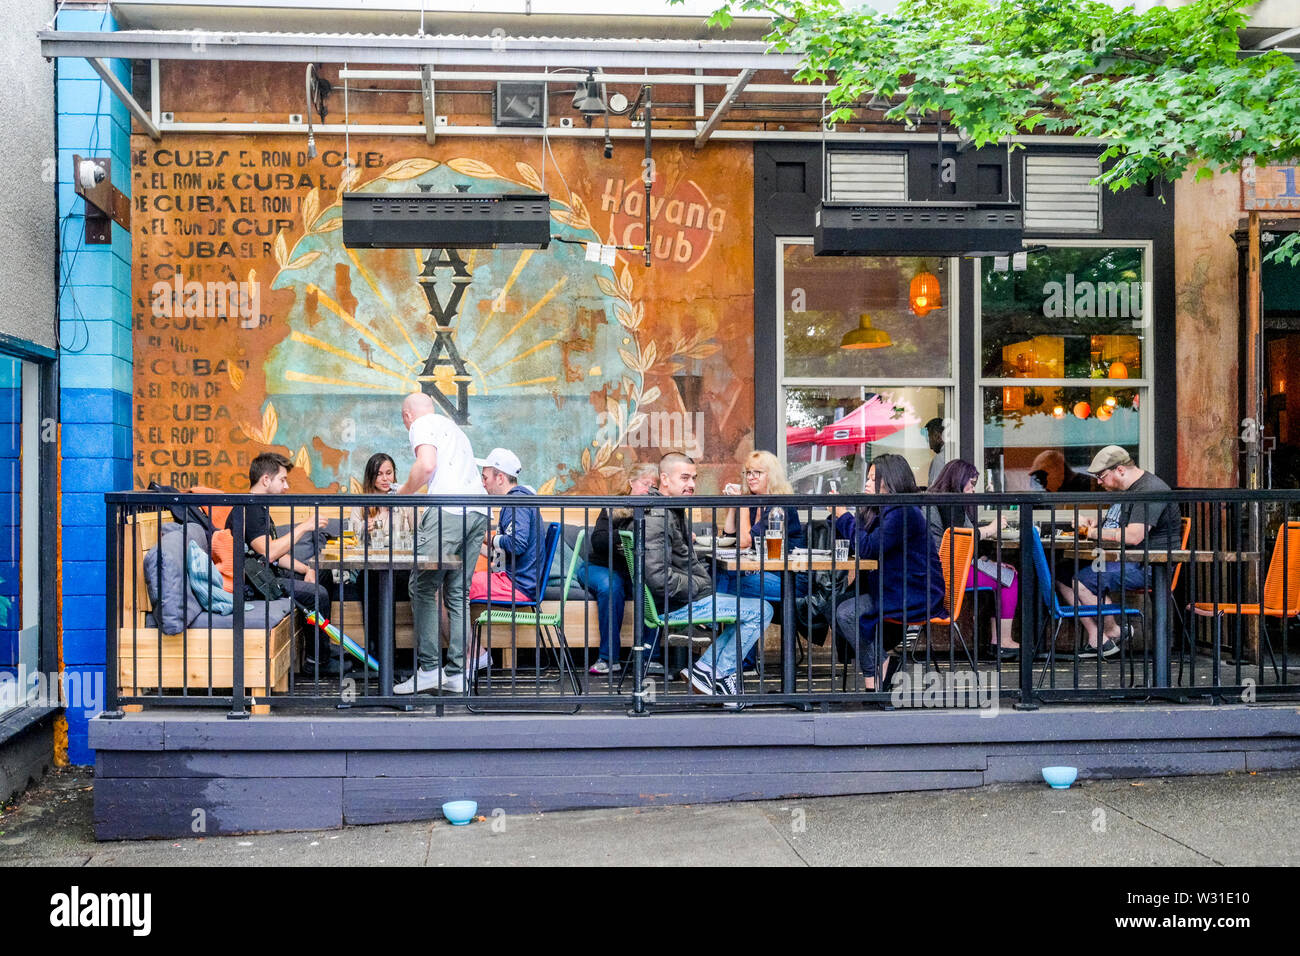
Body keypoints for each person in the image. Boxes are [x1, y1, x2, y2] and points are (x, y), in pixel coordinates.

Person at [643, 452, 773, 697]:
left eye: (693, 478)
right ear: (665, 479)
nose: (691, 484)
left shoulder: (668, 509)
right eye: (684, 478)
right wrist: (698, 585)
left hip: (679, 599)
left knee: (753, 609)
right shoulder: (658, 517)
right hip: (676, 604)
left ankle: (708, 671)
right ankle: (711, 670)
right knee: (761, 610)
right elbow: (658, 578)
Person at [392, 392, 491, 695]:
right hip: (477, 511)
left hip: (448, 510)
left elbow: (426, 466)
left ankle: (429, 669)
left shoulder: (421, 425)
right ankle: (458, 673)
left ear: (407, 415)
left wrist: (402, 494)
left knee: (421, 586)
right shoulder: (453, 429)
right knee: (458, 593)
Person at [1057, 445, 1182, 659]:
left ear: (1120, 470)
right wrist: (1094, 523)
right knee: (1062, 573)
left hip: (1151, 566)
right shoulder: (1128, 491)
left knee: (1083, 579)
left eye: (1101, 476)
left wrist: (1093, 532)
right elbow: (1117, 524)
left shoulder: (1150, 490)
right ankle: (1100, 636)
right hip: (1128, 560)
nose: (1098, 482)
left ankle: (1113, 630)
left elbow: (1134, 535)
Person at [833, 454, 945, 690]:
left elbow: (867, 548)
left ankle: (879, 667)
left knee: (846, 612)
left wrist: (844, 515)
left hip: (914, 594)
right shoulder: (887, 510)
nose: (866, 483)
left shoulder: (903, 512)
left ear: (890, 482)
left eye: (873, 479)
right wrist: (848, 517)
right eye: (869, 477)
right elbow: (865, 542)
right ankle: (879, 668)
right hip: (895, 588)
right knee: (835, 606)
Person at [225, 452, 334, 668]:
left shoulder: (259, 507)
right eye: (282, 480)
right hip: (256, 584)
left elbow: (272, 554)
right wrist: (304, 527)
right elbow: (269, 552)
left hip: (265, 574)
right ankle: (318, 661)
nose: (286, 487)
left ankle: (322, 644)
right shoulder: (251, 508)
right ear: (266, 479)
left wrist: (306, 569)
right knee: (317, 593)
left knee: (323, 573)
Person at [719, 450, 807, 671]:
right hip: (763, 575)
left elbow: (745, 542)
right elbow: (729, 537)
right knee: (729, 578)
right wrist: (733, 506)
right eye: (748, 473)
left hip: (790, 581)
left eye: (757, 473)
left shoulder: (779, 506)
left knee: (736, 584)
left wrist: (741, 504)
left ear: (772, 476)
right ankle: (741, 658)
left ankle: (715, 618)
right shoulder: (754, 503)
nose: (751, 478)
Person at [927, 459, 1020, 659]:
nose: (972, 489)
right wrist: (991, 529)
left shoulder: (934, 498)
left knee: (1002, 573)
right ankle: (1002, 642)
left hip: (935, 570)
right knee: (1010, 578)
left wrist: (984, 561)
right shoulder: (950, 503)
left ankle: (998, 642)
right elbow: (962, 538)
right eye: (971, 483)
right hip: (946, 571)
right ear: (959, 480)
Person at [581, 462, 659, 676]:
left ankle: (650, 657)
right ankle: (609, 658)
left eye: (654, 486)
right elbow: (598, 540)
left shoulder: (659, 513)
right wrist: (630, 539)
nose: (649, 490)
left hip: (634, 572)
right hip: (599, 567)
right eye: (645, 484)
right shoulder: (614, 506)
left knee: (654, 587)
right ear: (631, 483)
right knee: (611, 586)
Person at [352, 452, 412, 665]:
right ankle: (378, 652)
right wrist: (362, 530)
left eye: (389, 473)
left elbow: (418, 533)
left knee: (384, 581)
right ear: (371, 477)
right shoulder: (362, 505)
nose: (386, 479)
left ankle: (387, 654)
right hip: (373, 568)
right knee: (368, 581)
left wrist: (408, 500)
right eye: (379, 475)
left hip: (402, 568)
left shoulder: (403, 501)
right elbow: (353, 539)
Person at [469, 446, 543, 608]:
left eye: (485, 478)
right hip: (517, 583)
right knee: (457, 582)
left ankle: (456, 635)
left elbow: (517, 544)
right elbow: (503, 550)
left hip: (516, 587)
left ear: (500, 478)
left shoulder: (516, 502)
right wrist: (475, 541)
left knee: (453, 586)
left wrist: (485, 537)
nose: (483, 484)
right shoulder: (517, 500)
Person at [1028, 449, 1093, 494]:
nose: (1043, 486)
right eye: (1039, 480)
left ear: (1056, 471)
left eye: (1043, 478)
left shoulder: (1089, 486)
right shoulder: (1057, 493)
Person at [924, 418, 947, 488]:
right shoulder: (950, 455)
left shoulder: (940, 459)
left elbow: (934, 491)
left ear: (938, 436)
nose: (930, 446)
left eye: (929, 437)